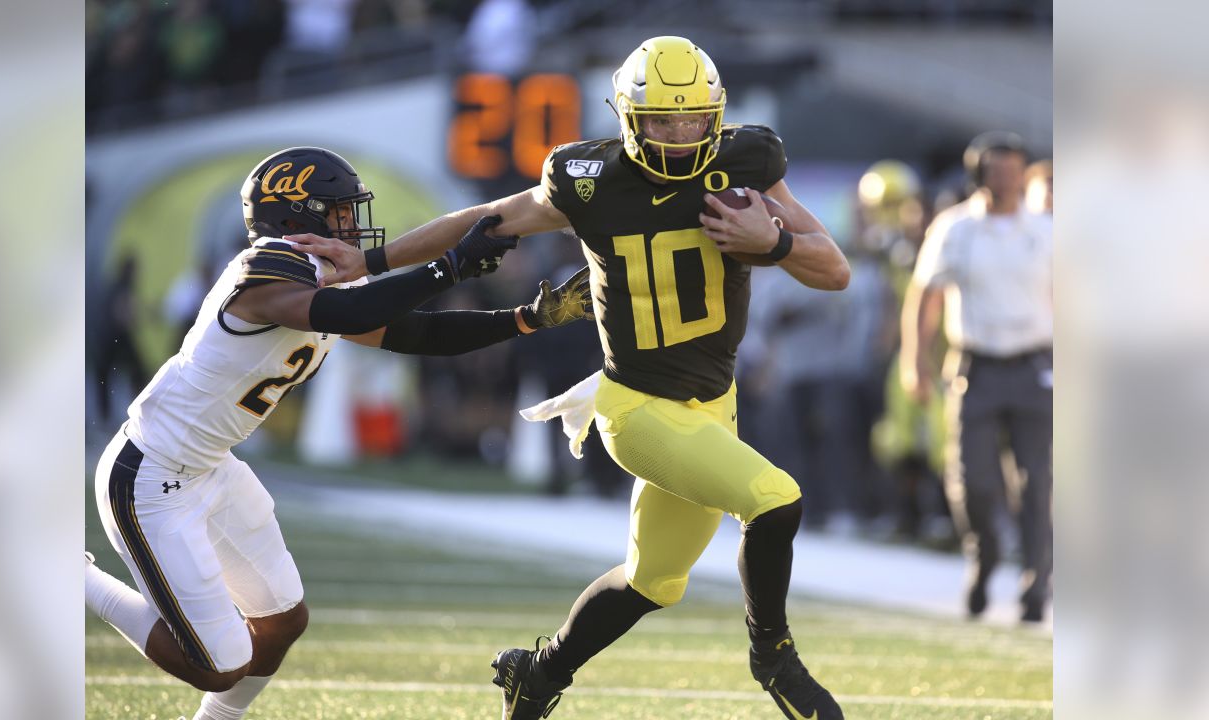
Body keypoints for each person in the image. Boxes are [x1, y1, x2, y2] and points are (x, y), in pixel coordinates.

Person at [291, 37, 850, 720]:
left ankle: (538, 673)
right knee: (775, 499)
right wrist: (372, 263)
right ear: (628, 118)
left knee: (652, 582)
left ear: (717, 114)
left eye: (693, 118)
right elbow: (483, 220)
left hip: (714, 403)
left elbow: (834, 267)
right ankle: (774, 655)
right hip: (637, 407)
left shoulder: (749, 161)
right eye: (662, 121)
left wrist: (777, 245)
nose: (679, 135)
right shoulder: (589, 178)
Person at [84, 146, 592, 720]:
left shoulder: (316, 276)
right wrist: (449, 266)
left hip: (210, 466)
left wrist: (525, 318)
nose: (351, 224)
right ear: (296, 215)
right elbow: (348, 316)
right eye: (339, 212)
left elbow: (415, 334)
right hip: (150, 472)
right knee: (216, 661)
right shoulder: (262, 269)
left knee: (280, 621)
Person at [899, 131, 1053, 622]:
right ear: (978, 174)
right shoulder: (956, 228)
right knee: (973, 481)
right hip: (976, 366)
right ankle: (983, 559)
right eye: (995, 170)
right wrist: (914, 358)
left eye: (1013, 170)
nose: (1005, 180)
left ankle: (1036, 581)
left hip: (1035, 365)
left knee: (1037, 481)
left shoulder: (1048, 230)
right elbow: (926, 295)